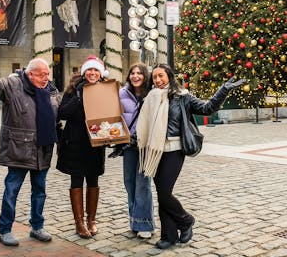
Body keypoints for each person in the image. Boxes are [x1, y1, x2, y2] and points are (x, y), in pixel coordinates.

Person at [136, 64, 245, 249]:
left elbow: (207, 108)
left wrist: (223, 90)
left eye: (161, 76)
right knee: (163, 195)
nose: (157, 80)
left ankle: (186, 221)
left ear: (169, 76)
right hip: (155, 151)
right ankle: (168, 235)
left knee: (164, 193)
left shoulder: (183, 97)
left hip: (175, 150)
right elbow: (144, 125)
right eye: (154, 77)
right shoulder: (151, 98)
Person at [0, 47, 61, 247]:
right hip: (19, 148)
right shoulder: (12, 85)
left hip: (43, 149)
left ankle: (37, 226)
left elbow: (59, 110)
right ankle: (5, 229)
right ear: (30, 74)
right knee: (12, 190)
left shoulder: (50, 89)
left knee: (40, 191)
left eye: (48, 74)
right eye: (42, 75)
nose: (46, 78)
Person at [57, 55, 110, 239]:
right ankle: (79, 223)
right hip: (75, 144)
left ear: (100, 73)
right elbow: (62, 113)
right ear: (84, 71)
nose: (92, 73)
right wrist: (80, 97)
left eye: (96, 70)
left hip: (95, 144)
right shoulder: (73, 90)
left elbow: (111, 115)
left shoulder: (106, 89)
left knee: (94, 181)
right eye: (89, 70)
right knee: (77, 181)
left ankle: (91, 220)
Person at [116, 63, 155, 239]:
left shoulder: (152, 95)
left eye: (139, 73)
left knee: (143, 184)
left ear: (145, 76)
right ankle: (135, 220)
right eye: (132, 73)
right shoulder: (121, 93)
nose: (136, 76)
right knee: (129, 182)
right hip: (128, 145)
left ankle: (145, 224)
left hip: (145, 145)